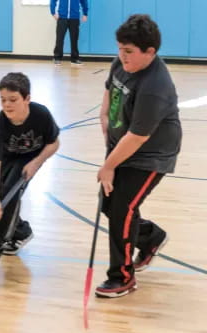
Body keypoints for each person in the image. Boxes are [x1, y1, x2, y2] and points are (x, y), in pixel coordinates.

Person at [95, 14, 182, 298]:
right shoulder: (122, 62)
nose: (122, 56)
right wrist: (106, 121)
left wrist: (109, 166)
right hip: (124, 144)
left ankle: (122, 277)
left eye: (129, 51)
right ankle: (150, 236)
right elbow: (109, 92)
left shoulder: (156, 86)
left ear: (150, 52)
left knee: (122, 209)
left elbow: (139, 136)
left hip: (151, 154)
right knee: (109, 205)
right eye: (119, 48)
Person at [0, 72, 60, 265]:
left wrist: (37, 162)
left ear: (27, 99)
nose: (7, 105)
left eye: (13, 99)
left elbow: (54, 144)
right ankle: (21, 231)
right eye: (3, 100)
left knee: (9, 196)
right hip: (8, 158)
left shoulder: (41, 115)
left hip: (31, 157)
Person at [50, 0, 88, 66]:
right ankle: (57, 58)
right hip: (62, 18)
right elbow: (53, 1)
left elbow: (84, 1)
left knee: (74, 39)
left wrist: (85, 13)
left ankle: (74, 59)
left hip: (74, 18)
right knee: (60, 38)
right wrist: (53, 12)